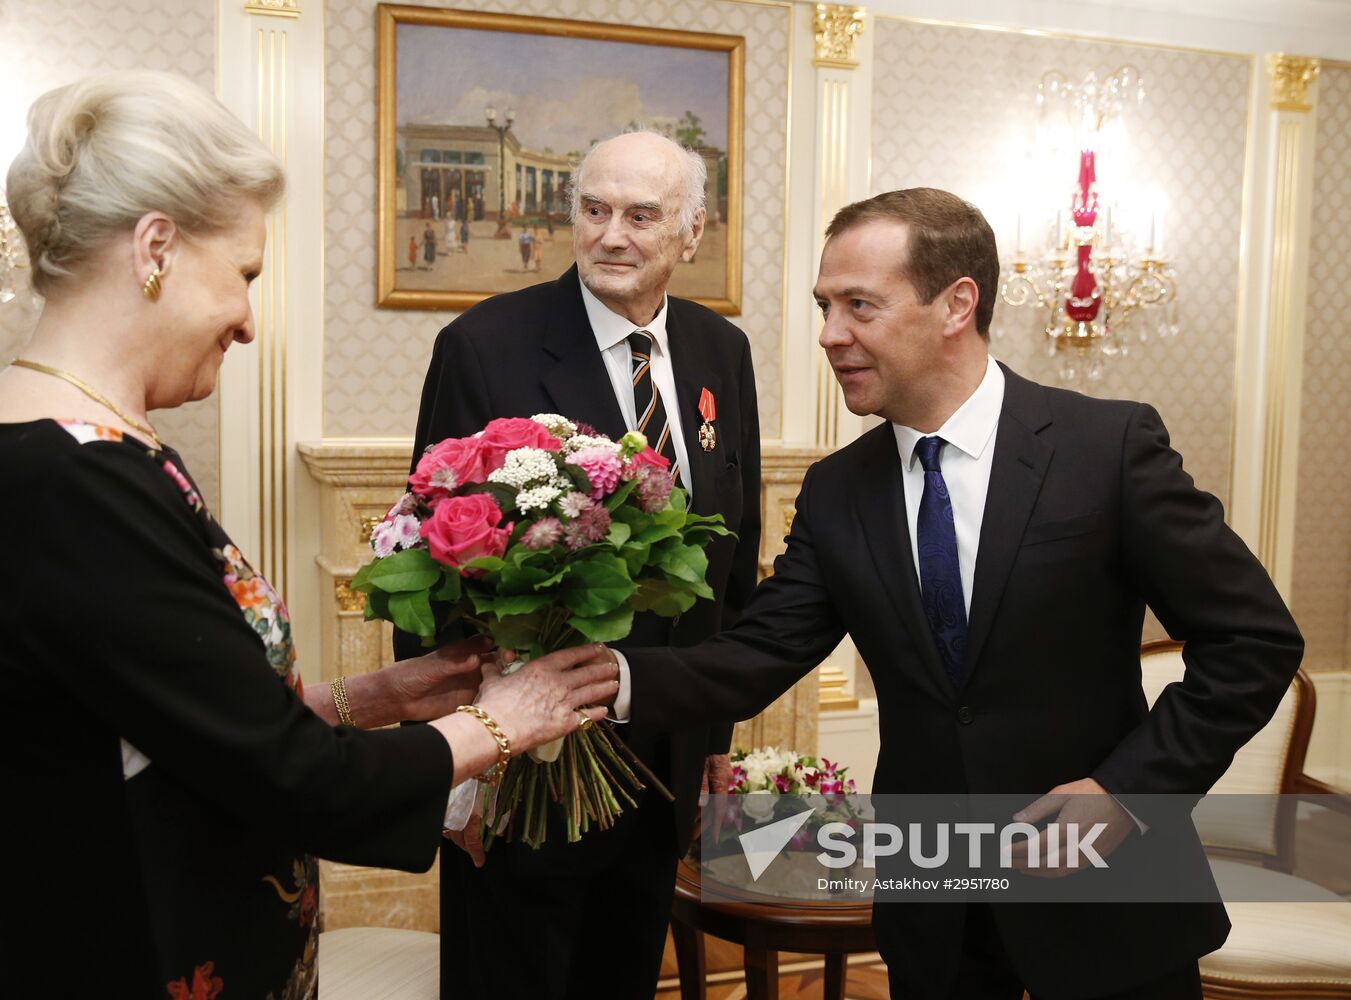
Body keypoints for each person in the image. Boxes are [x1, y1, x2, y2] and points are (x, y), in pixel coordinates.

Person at [0, 71, 618, 998]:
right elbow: (293, 781)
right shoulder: (70, 479)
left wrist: (375, 693)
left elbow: (190, 720)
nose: (249, 321)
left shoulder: (95, 450)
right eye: (243, 274)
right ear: (156, 247)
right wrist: (507, 718)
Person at [620, 188, 1304, 1000]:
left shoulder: (1105, 448)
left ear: (956, 304)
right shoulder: (838, 491)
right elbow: (756, 652)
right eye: (824, 307)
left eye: (858, 306)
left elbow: (1253, 642)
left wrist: (1128, 792)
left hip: (1111, 902)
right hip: (936, 911)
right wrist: (606, 678)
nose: (830, 335)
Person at [399, 130, 762, 1000]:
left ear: (691, 232)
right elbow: (433, 568)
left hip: (662, 765)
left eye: (642, 215)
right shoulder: (485, 346)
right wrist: (461, 768)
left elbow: (732, 553)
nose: (612, 234)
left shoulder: (722, 352)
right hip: (526, 770)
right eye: (593, 210)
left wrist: (716, 735)